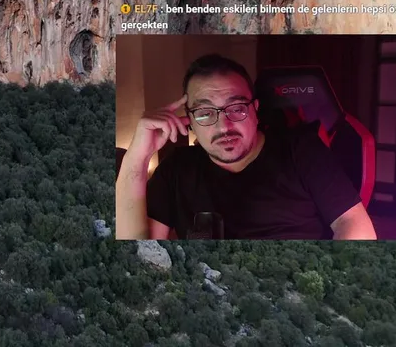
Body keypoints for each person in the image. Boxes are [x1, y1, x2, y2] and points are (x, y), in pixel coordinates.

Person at [116, 53, 377, 240]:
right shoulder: (177, 169)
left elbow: (353, 224)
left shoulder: (302, 151)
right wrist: (138, 157)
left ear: (255, 111)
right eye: (205, 113)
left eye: (237, 108)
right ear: (191, 121)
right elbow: (139, 251)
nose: (224, 126)